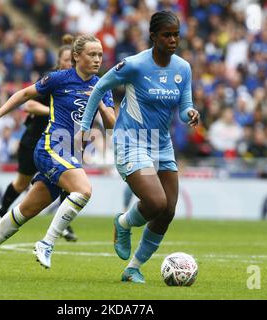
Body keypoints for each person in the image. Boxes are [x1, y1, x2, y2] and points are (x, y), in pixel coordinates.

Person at [0, 34, 115, 277]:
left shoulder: (102, 84)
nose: (97, 59)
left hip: (72, 153)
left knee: (26, 211)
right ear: (76, 56)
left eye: (100, 55)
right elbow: (25, 95)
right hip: (51, 147)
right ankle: (47, 243)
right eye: (92, 54)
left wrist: (101, 102)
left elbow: (112, 124)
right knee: (84, 190)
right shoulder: (59, 79)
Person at [80, 11, 200, 283]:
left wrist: (191, 113)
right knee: (156, 202)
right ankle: (123, 223)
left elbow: (184, 108)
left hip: (162, 144)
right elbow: (99, 87)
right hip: (131, 142)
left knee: (168, 210)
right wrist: (86, 126)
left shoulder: (183, 68)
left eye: (176, 35)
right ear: (153, 36)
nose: (173, 40)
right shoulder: (134, 65)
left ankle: (133, 268)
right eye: (167, 35)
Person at [0, 35, 78, 242]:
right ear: (60, 61)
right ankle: (1, 211)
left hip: (57, 142)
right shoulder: (53, 80)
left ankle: (63, 227)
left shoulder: (77, 84)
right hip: (34, 139)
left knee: (66, 182)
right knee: (22, 183)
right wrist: (54, 112)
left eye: (72, 60)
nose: (70, 64)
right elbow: (28, 105)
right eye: (67, 60)